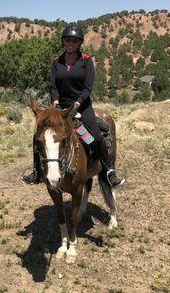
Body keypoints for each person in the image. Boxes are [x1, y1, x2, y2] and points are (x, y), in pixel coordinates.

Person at [22, 24, 124, 188]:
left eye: (74, 41)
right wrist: (55, 99)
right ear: (63, 41)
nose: (71, 43)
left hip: (82, 107)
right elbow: (53, 85)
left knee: (95, 138)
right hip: (61, 110)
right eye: (68, 40)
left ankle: (109, 171)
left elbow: (88, 88)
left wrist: (78, 103)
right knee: (39, 137)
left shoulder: (86, 61)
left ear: (79, 43)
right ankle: (36, 172)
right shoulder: (57, 62)